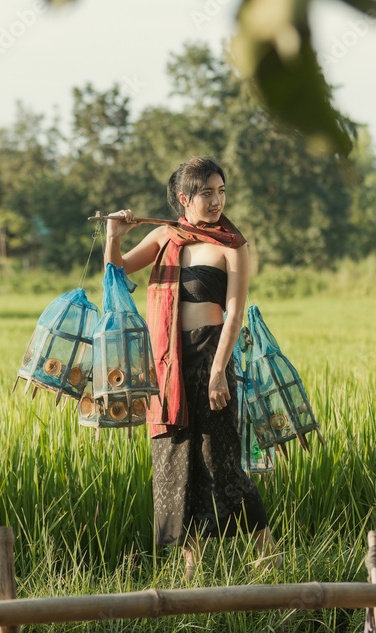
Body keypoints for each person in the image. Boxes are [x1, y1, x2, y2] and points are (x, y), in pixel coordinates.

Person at [103, 157, 280, 581]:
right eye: (208, 193)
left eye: (221, 191)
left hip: (209, 357)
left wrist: (220, 370)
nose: (217, 200)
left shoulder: (231, 244)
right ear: (185, 198)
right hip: (166, 364)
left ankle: (269, 561)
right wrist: (114, 235)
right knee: (175, 460)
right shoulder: (165, 235)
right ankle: (190, 574)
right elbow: (118, 268)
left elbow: (234, 312)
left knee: (221, 461)